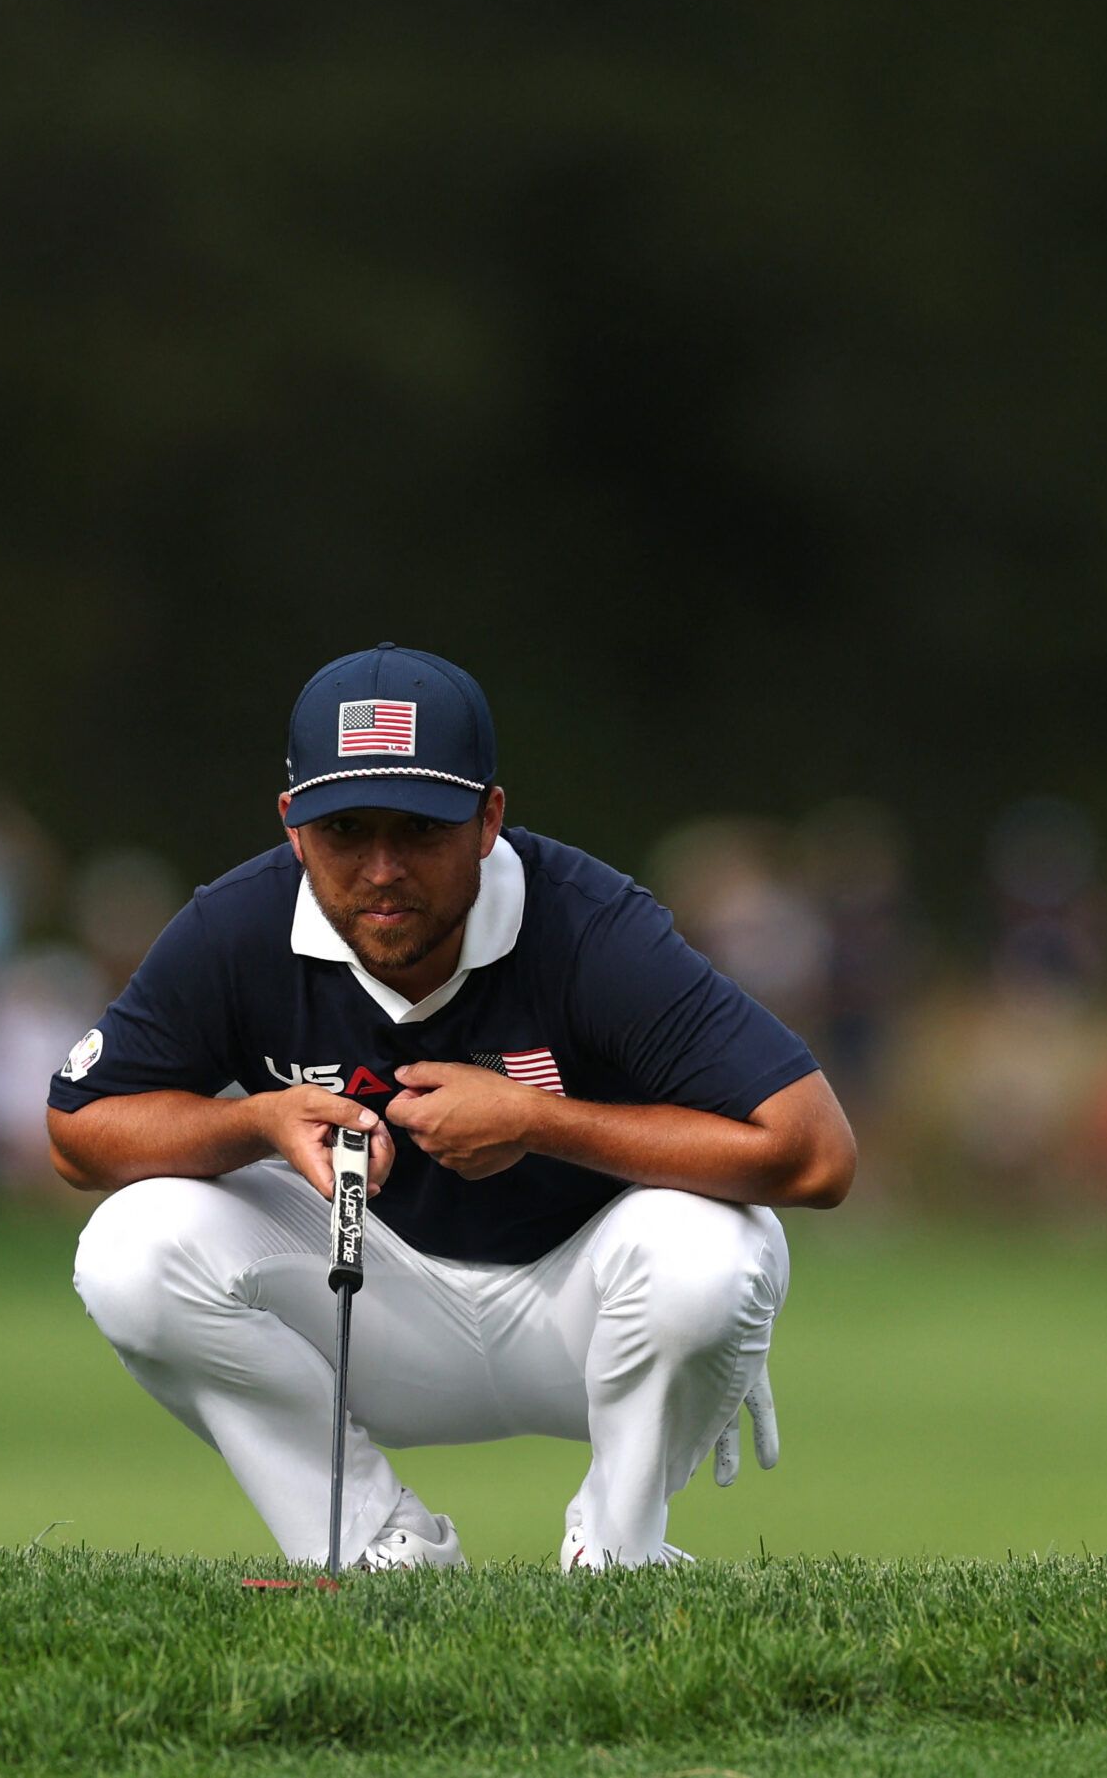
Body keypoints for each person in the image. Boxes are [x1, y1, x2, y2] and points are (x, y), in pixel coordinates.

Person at [46, 645, 856, 1571]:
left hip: (592, 1313)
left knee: (712, 1254)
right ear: (293, 827)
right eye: (346, 827)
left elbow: (816, 1153)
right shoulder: (238, 927)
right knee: (131, 1244)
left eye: (422, 828)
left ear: (489, 820)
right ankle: (378, 1548)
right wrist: (257, 1120)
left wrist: (539, 1120)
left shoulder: (588, 923)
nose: (384, 869)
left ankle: (616, 1560)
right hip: (372, 1307)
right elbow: (80, 1132)